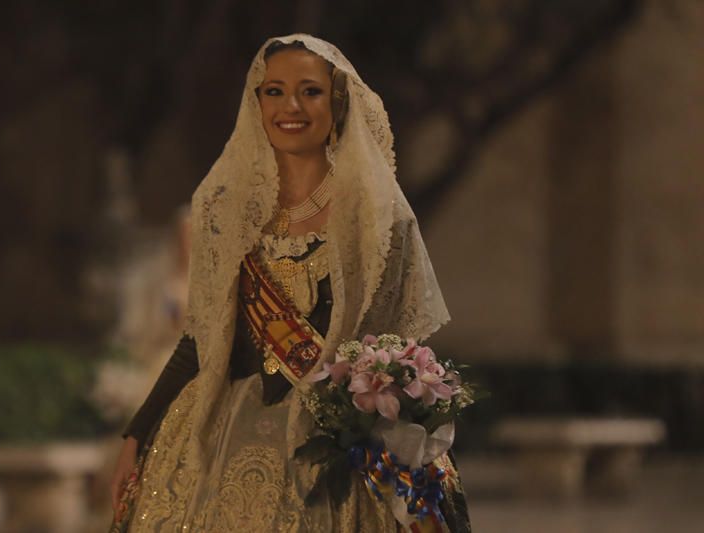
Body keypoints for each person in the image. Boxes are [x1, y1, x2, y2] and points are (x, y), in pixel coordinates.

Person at [109, 34, 471, 532]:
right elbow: (200, 339)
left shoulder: (377, 218)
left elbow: (392, 347)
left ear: (337, 100)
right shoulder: (225, 211)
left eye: (310, 91)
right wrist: (137, 433)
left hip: (342, 444)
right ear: (255, 102)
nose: (291, 106)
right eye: (273, 91)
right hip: (219, 434)